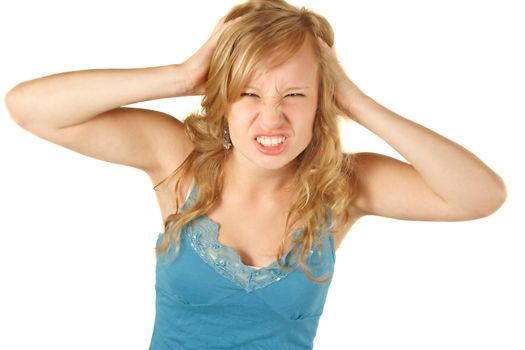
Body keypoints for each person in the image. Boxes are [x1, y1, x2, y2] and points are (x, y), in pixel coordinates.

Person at [5, 0, 506, 349]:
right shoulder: (177, 161)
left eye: (294, 95)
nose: (271, 119)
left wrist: (356, 100)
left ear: (320, 104)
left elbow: (481, 196)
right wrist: (180, 75)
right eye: (249, 93)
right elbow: (28, 108)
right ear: (222, 99)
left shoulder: (343, 188)